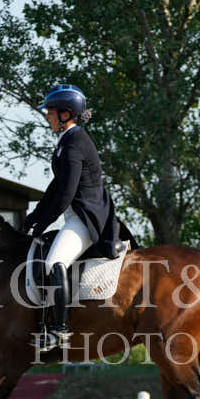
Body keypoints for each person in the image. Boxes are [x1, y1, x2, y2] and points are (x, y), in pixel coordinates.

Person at [21, 84, 122, 352]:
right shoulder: (67, 140)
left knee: (54, 262)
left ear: (65, 114)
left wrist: (42, 223)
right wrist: (34, 216)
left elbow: (66, 193)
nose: (47, 116)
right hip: (76, 214)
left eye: (51, 112)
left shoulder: (75, 142)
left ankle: (60, 330)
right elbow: (57, 185)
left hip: (87, 216)